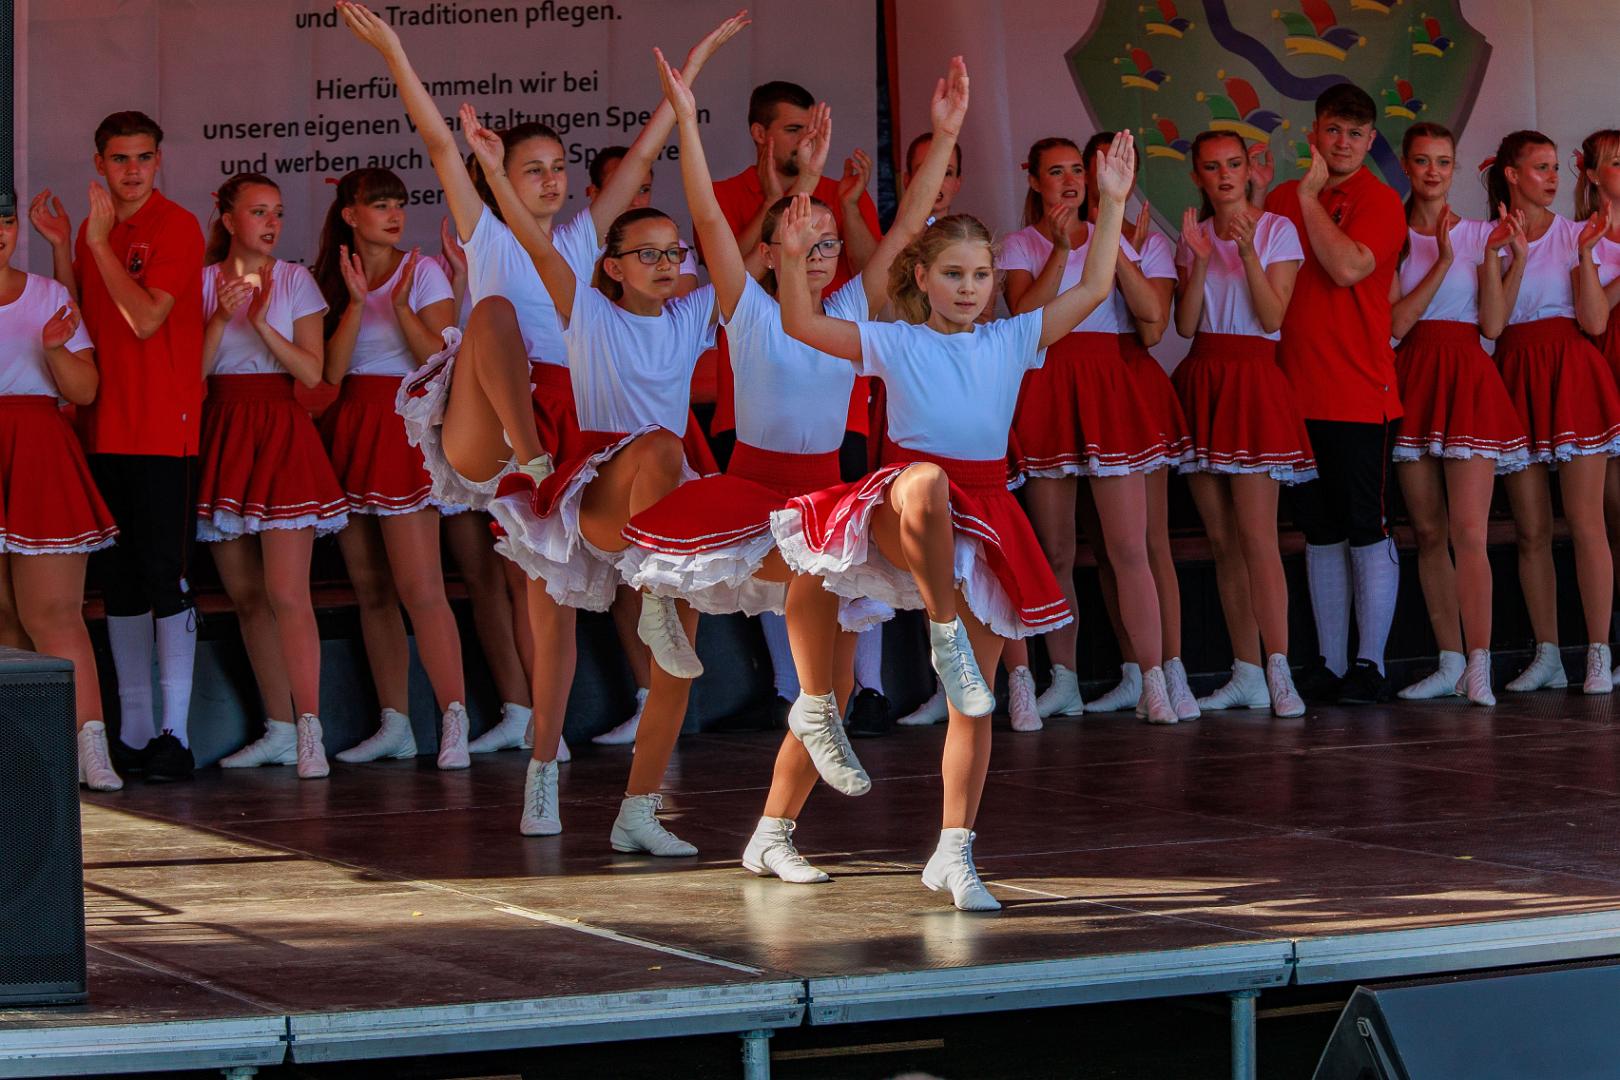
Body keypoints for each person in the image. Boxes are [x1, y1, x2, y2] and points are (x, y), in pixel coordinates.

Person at [337, 2, 746, 775]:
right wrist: (392, 50)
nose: (553, 180)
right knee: (492, 316)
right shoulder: (486, 232)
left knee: (551, 598)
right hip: (496, 424)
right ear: (501, 178)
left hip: (575, 428)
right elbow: (436, 141)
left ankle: (553, 742)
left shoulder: (585, 238)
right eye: (535, 169)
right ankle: (530, 463)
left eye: (559, 167)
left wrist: (686, 83)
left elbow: (643, 153)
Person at [620, 52, 969, 882]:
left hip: (822, 497)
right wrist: (685, 119)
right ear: (773, 248)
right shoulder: (745, 307)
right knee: (800, 608)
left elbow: (908, 232)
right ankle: (673, 670)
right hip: (753, 494)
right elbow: (708, 215)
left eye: (827, 243)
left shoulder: (846, 307)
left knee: (838, 686)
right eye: (803, 239)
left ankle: (773, 832)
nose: (819, 252)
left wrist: (946, 130)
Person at [771, 132, 1139, 910]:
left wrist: (1110, 203)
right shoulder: (894, 340)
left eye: (979, 275)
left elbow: (1096, 284)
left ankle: (950, 852)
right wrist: (791, 256)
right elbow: (801, 326)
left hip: (984, 514)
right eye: (953, 274)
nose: (970, 288)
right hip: (900, 502)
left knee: (974, 701)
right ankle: (940, 632)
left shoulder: (1013, 337)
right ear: (922, 278)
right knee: (927, 484)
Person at [464, 89, 723, 850]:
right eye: (648, 254)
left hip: (661, 494)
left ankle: (639, 811)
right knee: (553, 634)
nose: (666, 264)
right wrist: (494, 174)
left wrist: (687, 110)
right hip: (591, 482)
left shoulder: (693, 314)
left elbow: (725, 235)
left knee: (678, 657)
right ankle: (542, 771)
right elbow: (537, 245)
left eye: (673, 253)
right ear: (610, 266)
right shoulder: (587, 310)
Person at [703, 77, 893, 738]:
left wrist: (834, 193)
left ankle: (868, 690)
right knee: (768, 558)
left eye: (812, 132)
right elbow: (728, 263)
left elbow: (881, 266)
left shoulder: (841, 201)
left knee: (847, 554)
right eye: (793, 130)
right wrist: (794, 195)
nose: (804, 142)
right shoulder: (731, 195)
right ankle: (792, 690)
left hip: (837, 413)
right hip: (752, 411)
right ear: (761, 133)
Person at [30, 111, 204, 782]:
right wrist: (63, 245)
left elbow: (146, 316)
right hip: (101, 426)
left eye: (144, 157)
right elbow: (79, 313)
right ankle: (133, 730)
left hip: (163, 428)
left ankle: (176, 734)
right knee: (121, 580)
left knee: (166, 575)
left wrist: (98, 242)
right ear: (98, 163)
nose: (133, 170)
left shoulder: (176, 225)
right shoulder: (95, 229)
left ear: (159, 161)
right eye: (120, 159)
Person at [999, 134, 1179, 724]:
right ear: (1034, 180)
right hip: (1049, 386)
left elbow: (1152, 317)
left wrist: (1111, 236)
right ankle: (1065, 680)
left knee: (1129, 547)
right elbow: (1027, 320)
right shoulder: (1020, 244)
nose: (1070, 181)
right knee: (1055, 550)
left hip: (1108, 390)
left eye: (1077, 169)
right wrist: (1058, 250)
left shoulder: (1117, 236)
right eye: (1056, 172)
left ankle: (1153, 680)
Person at [311, 167, 475, 766]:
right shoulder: (331, 276)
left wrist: (400, 305)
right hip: (352, 422)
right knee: (371, 588)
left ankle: (454, 719)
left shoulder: (421, 270)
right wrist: (357, 303)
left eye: (398, 204)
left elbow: (439, 355)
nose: (394, 214)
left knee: (420, 587)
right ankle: (395, 722)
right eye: (380, 205)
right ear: (350, 215)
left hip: (404, 423)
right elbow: (330, 372)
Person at [197, 174, 346, 779]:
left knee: (288, 592)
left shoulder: (295, 280)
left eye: (277, 213)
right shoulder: (203, 281)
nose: (270, 223)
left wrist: (260, 323)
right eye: (258, 212)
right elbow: (191, 374)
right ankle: (279, 728)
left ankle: (310, 727)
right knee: (247, 596)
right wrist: (219, 318)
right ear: (228, 218)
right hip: (224, 429)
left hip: (281, 431)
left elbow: (312, 374)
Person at [1262, 84, 1407, 705]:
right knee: (1319, 532)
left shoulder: (1381, 200)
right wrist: (1288, 196)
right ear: (1313, 133)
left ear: (1370, 140)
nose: (1343, 142)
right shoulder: (1278, 199)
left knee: (1365, 527)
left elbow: (1347, 267)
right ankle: (1330, 662)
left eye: (1355, 133)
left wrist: (1307, 198)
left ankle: (1371, 666)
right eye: (1333, 130)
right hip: (1294, 395)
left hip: (1359, 393)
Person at [1171, 131, 1310, 717]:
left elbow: (1273, 315)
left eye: (1234, 164)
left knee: (1258, 538)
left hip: (1253, 379)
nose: (1225, 175)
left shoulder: (1277, 230)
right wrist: (1200, 260)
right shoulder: (1193, 236)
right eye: (1212, 167)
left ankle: (1280, 669)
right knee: (1223, 541)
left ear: (1251, 169)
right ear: (1197, 177)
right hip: (1203, 376)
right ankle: (1246, 670)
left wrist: (1248, 252)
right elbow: (1184, 325)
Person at [1388, 124, 1527, 705]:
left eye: (1443, 162)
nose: (1433, 172)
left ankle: (1479, 663)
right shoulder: (1391, 236)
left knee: (1470, 532)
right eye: (1422, 161)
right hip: (1413, 376)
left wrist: (1507, 259)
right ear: (1406, 165)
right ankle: (1449, 661)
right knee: (1427, 532)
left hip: (1467, 377)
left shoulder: (1479, 235)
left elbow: (1492, 326)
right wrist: (1443, 261)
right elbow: (1395, 325)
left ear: (1454, 168)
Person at [1486, 131, 1620, 694]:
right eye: (1540, 168)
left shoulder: (1576, 235)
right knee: (1531, 530)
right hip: (1515, 373)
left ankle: (1598, 653)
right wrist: (1511, 256)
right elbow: (1492, 324)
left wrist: (1586, 255)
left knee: (1587, 523)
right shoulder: (1489, 240)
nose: (1551, 178)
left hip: (1571, 371)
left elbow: (1594, 322)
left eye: (1554, 168)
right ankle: (1547, 654)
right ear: (1511, 175)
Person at [0, 199, 120, 789]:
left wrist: (52, 350)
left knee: (53, 613)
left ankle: (90, 746)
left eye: (4, 221)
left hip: (38, 451)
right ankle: (28, 757)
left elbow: (86, 389)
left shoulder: (48, 294)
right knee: (3, 616)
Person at [1573, 128, 1620, 679]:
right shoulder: (1582, 234)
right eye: (1616, 162)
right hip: (1605, 375)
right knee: (1611, 514)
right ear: (1591, 173)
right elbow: (1592, 320)